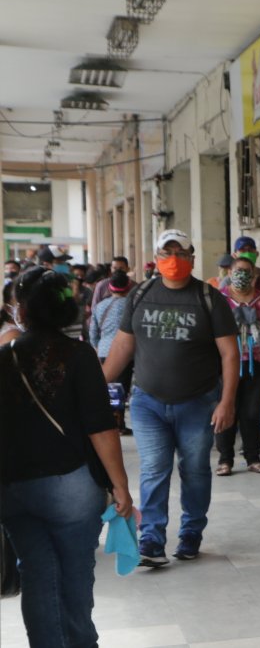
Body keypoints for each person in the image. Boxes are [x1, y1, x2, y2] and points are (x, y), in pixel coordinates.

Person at [1, 268, 135, 648]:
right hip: (71, 487)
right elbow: (100, 427)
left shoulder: (4, 358)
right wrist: (121, 487)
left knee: (38, 576)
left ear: (22, 310)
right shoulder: (79, 356)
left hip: (14, 488)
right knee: (75, 576)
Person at [102, 229, 239, 566]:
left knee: (194, 470)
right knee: (154, 468)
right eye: (167, 252)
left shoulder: (209, 298)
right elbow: (123, 344)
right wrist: (96, 384)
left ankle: (191, 531)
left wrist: (227, 401)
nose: (174, 259)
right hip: (148, 401)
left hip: (197, 401)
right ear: (156, 258)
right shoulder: (140, 294)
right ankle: (152, 539)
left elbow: (230, 354)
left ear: (192, 257)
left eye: (180, 252)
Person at [215, 254, 260, 476]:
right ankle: (225, 459)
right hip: (226, 364)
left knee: (252, 411)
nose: (242, 275)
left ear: (254, 277)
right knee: (228, 409)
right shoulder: (220, 299)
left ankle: (253, 458)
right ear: (229, 274)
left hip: (259, 364)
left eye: (247, 272)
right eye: (238, 271)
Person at [90, 270, 135, 433]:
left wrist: (98, 346)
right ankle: (119, 423)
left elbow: (93, 332)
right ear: (128, 287)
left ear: (110, 288)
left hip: (104, 350)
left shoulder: (100, 306)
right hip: (125, 352)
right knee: (121, 388)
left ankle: (107, 422)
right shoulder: (132, 305)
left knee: (106, 388)